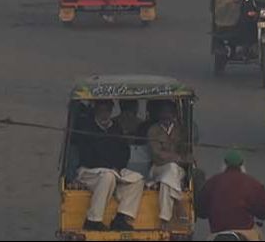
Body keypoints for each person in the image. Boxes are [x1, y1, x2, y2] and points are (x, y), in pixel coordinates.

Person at [73, 98, 145, 232]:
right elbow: (87, 157)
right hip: (90, 171)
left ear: (111, 111)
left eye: (107, 111)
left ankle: (121, 217)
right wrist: (109, 166)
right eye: (101, 110)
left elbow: (124, 152)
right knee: (108, 176)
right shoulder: (87, 127)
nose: (104, 114)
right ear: (96, 111)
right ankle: (93, 220)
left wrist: (117, 166)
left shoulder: (115, 127)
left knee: (138, 179)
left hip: (114, 169)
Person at [197, 148, 265, 241]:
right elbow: (264, 212)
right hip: (245, 232)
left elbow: (200, 211)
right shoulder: (253, 184)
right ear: (242, 165)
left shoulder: (212, 182)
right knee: (259, 235)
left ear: (224, 164)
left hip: (217, 234)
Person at [142, 101, 191, 229]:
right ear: (158, 114)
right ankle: (179, 204)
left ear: (174, 114)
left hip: (177, 170)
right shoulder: (153, 130)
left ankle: (164, 218)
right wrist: (176, 157)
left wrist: (179, 158)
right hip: (157, 168)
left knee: (167, 180)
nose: (166, 115)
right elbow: (157, 154)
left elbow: (188, 155)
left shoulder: (181, 130)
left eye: (169, 112)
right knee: (171, 169)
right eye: (163, 112)